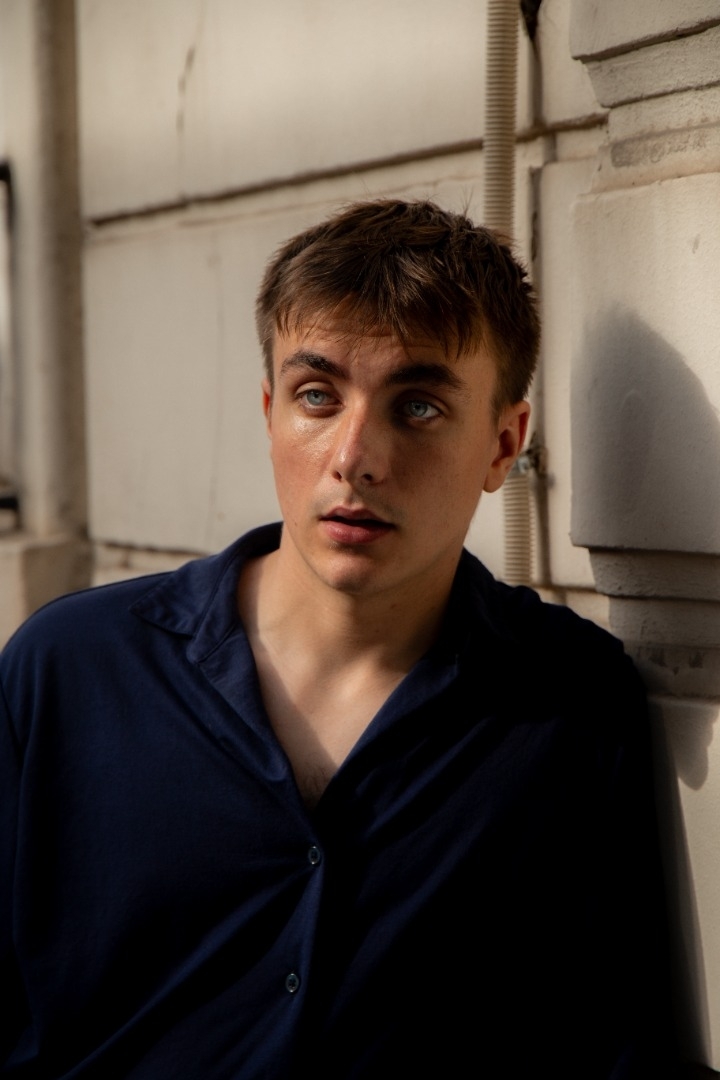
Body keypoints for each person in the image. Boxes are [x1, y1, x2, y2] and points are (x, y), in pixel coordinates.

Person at [1, 199, 678, 1078]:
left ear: (503, 444)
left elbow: (611, 1046)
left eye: (419, 406)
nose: (355, 456)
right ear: (269, 411)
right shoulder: (73, 670)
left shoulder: (567, 702)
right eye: (317, 396)